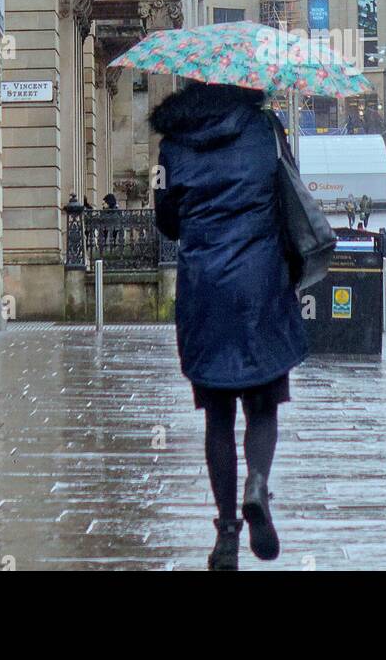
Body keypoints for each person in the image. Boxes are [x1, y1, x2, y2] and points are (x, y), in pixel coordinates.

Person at [151, 82, 308, 571]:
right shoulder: (265, 129)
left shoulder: (172, 143)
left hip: (205, 286)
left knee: (216, 416)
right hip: (260, 282)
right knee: (263, 405)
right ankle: (257, 484)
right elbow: (290, 189)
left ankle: (225, 535)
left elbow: (166, 219)